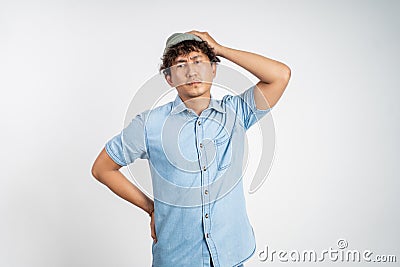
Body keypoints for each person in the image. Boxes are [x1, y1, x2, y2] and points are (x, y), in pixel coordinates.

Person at [91, 30, 290, 267]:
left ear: (214, 69)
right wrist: (150, 208)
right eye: (180, 64)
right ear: (169, 78)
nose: (191, 71)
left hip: (230, 256)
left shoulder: (235, 112)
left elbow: (280, 75)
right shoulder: (150, 124)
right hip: (177, 258)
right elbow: (102, 168)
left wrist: (220, 49)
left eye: (198, 61)